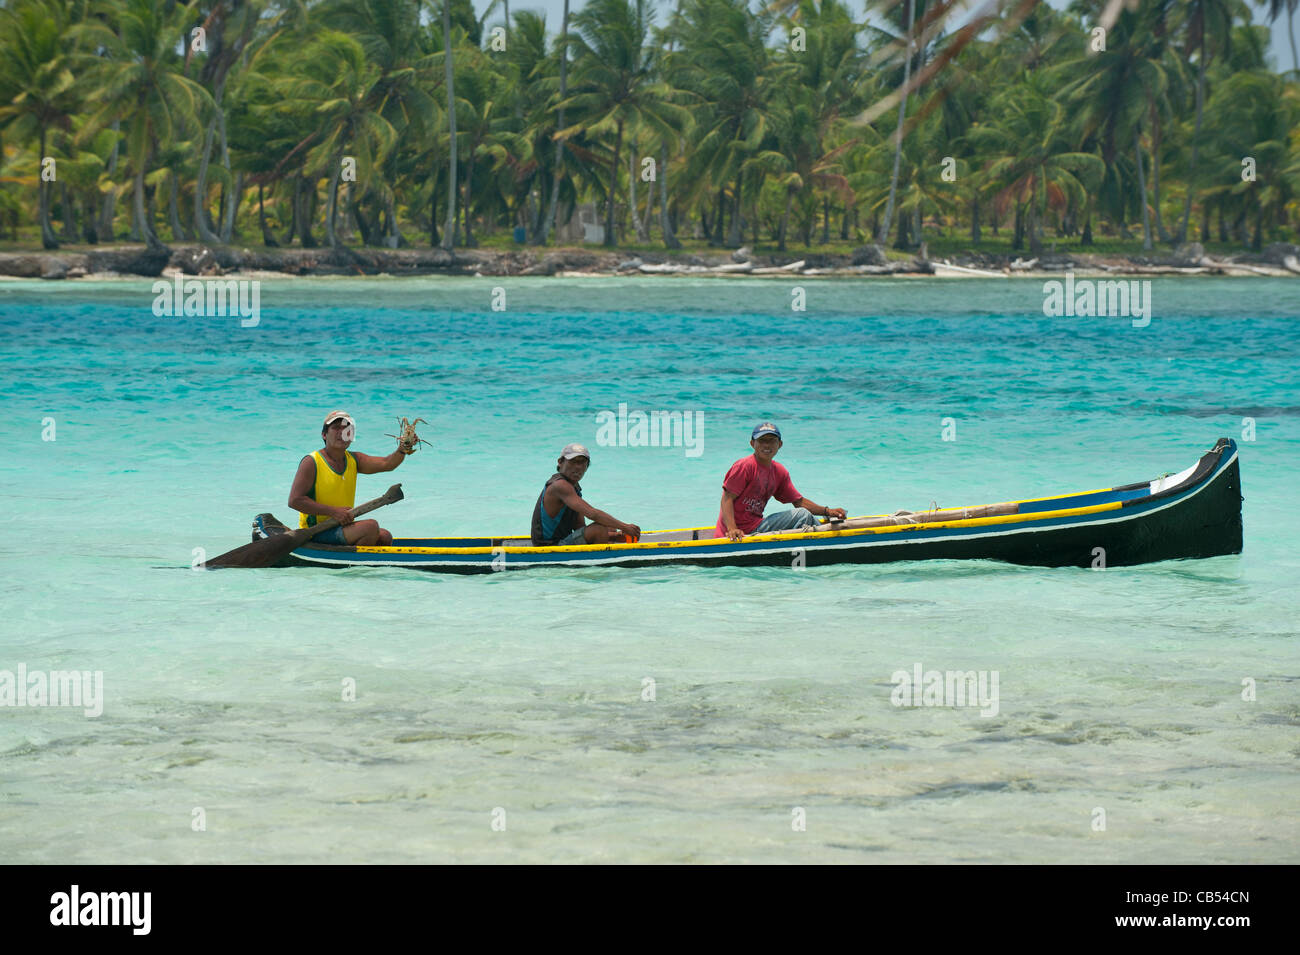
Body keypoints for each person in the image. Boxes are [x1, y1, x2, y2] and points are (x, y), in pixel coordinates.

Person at [288, 410, 409, 546]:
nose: (342, 432)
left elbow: (387, 463)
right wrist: (333, 512)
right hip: (316, 531)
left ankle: (359, 563)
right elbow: (294, 501)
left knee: (385, 537)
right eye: (335, 428)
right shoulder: (311, 462)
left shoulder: (354, 459)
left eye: (347, 429)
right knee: (370, 527)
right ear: (324, 434)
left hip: (340, 526)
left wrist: (403, 448)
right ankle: (352, 564)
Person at [715, 422, 846, 540]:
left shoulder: (778, 471)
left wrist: (827, 511)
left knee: (804, 516)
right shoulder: (744, 466)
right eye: (762, 441)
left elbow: (799, 502)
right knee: (802, 515)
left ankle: (828, 536)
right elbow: (726, 499)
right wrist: (732, 529)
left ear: (780, 444)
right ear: (752, 444)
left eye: (771, 441)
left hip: (757, 525)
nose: (767, 445)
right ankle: (834, 539)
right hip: (737, 533)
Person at [531, 443, 641, 546]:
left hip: (562, 541)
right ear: (560, 462)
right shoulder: (560, 485)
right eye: (573, 461)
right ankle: (601, 562)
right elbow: (592, 514)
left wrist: (615, 536)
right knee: (599, 529)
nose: (578, 467)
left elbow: (579, 528)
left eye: (582, 463)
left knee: (609, 527)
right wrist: (625, 527)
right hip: (549, 545)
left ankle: (603, 552)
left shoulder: (574, 489)